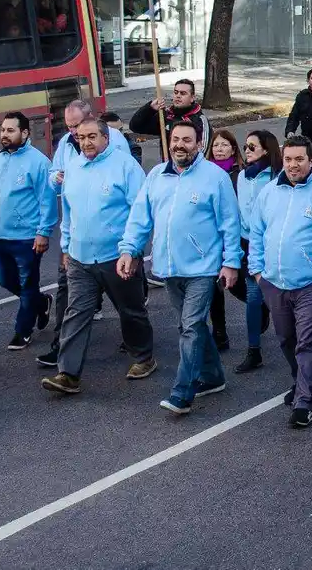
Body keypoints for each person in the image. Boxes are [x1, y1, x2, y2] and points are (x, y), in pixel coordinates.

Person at [118, 120, 241, 415]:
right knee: (192, 326)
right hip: (169, 268)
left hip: (203, 268)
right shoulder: (157, 175)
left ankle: (182, 392)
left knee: (189, 327)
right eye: (175, 139)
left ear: (199, 144)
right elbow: (140, 217)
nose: (179, 145)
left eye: (187, 140)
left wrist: (231, 262)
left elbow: (230, 222)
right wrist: (129, 249)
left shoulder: (215, 177)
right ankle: (212, 377)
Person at [43, 119, 157, 396]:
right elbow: (68, 212)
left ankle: (143, 358)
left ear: (105, 137)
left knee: (130, 310)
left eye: (92, 136)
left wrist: (133, 250)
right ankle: (68, 374)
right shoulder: (74, 167)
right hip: (81, 258)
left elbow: (141, 212)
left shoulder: (125, 166)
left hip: (116, 257)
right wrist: (67, 247)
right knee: (76, 312)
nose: (86, 142)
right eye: (81, 138)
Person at [248, 136, 312, 429]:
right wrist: (257, 271)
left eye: (299, 160)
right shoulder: (268, 192)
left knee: (308, 342)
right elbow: (257, 232)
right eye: (289, 159)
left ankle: (304, 401)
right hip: (274, 282)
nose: (293, 165)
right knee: (286, 339)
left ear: (311, 160)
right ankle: (301, 380)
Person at [0, 111, 57, 350]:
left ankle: (23, 330)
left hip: (27, 238)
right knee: (3, 278)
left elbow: (47, 200)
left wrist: (43, 232)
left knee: (28, 283)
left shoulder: (39, 162)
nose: (4, 134)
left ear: (24, 133)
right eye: (3, 130)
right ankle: (41, 303)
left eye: (10, 130)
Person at [233, 129, 279, 373]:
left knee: (278, 297)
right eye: (246, 146)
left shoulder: (277, 176)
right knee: (252, 296)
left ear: (266, 149)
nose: (247, 151)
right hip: (249, 244)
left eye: (252, 146)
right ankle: (254, 350)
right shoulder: (242, 176)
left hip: (271, 244)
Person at [203, 128, 243, 350]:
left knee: (239, 286)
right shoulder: (204, 173)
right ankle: (219, 330)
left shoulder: (240, 174)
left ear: (233, 149)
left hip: (234, 235)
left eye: (224, 145)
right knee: (214, 286)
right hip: (210, 238)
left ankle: (262, 308)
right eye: (216, 145)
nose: (219, 149)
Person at [129, 78, 210, 150]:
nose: (178, 96)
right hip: (168, 165)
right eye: (176, 92)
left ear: (192, 98)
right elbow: (135, 126)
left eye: (183, 93)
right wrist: (150, 108)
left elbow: (204, 148)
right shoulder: (165, 116)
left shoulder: (200, 120)